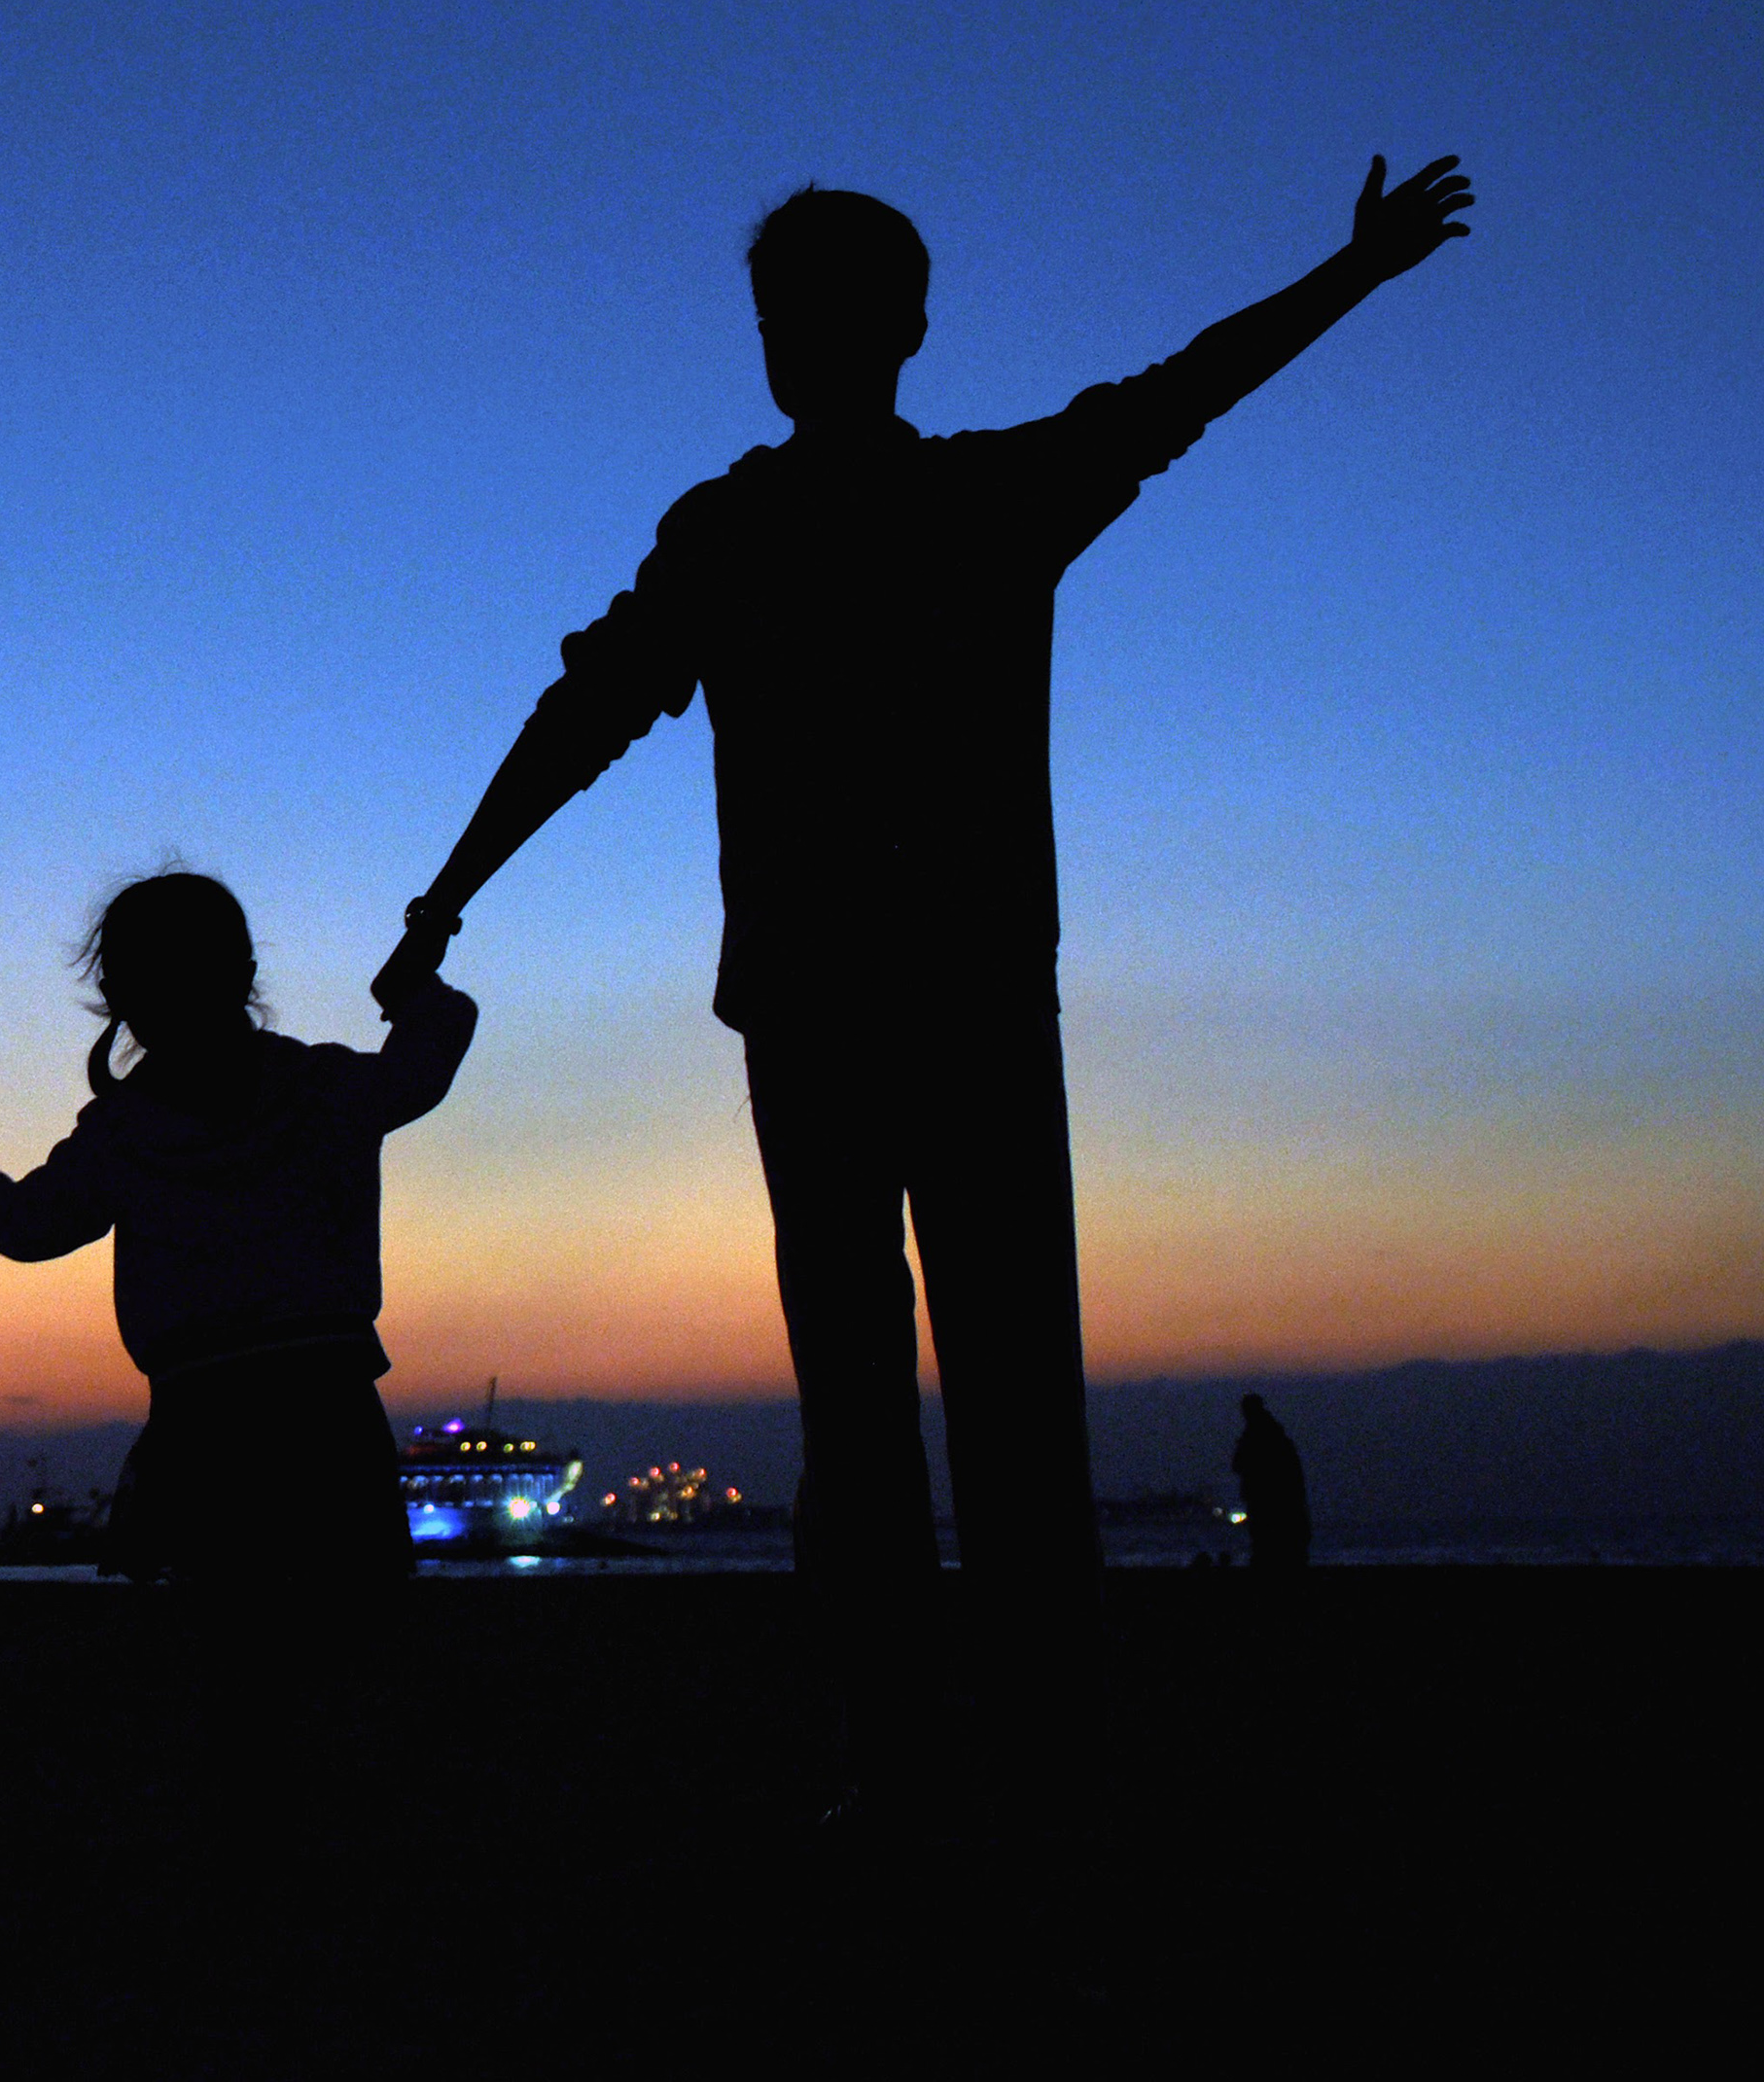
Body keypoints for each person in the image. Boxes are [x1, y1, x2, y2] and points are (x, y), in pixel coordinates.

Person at [375, 155, 1473, 1818]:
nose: (791, 339)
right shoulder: (792, 524)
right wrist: (447, 893)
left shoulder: (911, 507)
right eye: (776, 313)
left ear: (900, 328)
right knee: (932, 1403)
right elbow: (587, 709)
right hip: (877, 1015)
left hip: (920, 1012)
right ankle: (949, 1761)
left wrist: (1354, 276)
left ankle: (969, 1763)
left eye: (813, 313)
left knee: (948, 1400)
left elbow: (1184, 393)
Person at [0, 871, 472, 1582]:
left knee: (212, 1637)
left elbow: (31, 1226)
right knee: (355, 1630)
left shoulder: (124, 1132)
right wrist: (416, 990)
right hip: (333, 1418)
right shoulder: (324, 1089)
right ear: (243, 977)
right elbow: (428, 1054)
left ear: (119, 997)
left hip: (199, 1425)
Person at [1232, 1394, 1309, 1571]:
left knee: (1265, 1534)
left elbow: (1239, 1464)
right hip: (1270, 1493)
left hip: (1266, 1494)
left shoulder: (1257, 1434)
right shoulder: (1272, 1433)